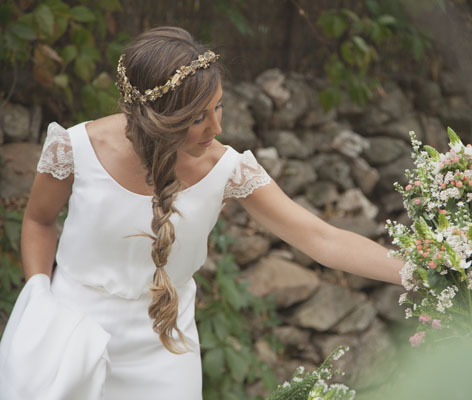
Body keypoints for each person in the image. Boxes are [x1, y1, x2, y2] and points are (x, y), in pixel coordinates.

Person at [0, 26, 404, 399]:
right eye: (197, 117)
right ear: (155, 117)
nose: (216, 128)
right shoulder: (75, 148)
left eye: (219, 107)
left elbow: (322, 238)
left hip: (163, 347)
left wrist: (422, 268)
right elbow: (39, 220)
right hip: (68, 332)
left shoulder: (227, 170)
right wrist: (38, 295)